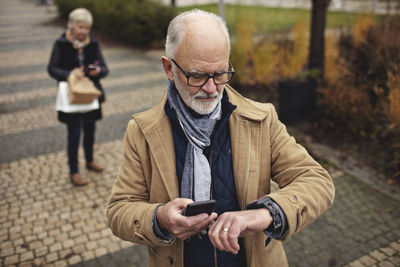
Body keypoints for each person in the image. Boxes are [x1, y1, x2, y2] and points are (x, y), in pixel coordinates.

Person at [107, 9, 335, 267]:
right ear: (168, 68)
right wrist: (159, 218)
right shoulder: (141, 132)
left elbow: (317, 181)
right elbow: (119, 211)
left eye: (220, 73)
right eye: (197, 76)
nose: (211, 88)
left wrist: (265, 214)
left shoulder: (261, 119)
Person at [48, 8, 109, 186]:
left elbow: (105, 69)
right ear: (71, 26)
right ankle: (73, 171)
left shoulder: (93, 44)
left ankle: (90, 161)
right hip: (72, 96)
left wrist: (98, 71)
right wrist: (70, 73)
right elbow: (52, 69)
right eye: (80, 27)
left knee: (90, 131)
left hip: (90, 94)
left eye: (87, 28)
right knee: (74, 134)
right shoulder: (61, 44)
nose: (83, 31)